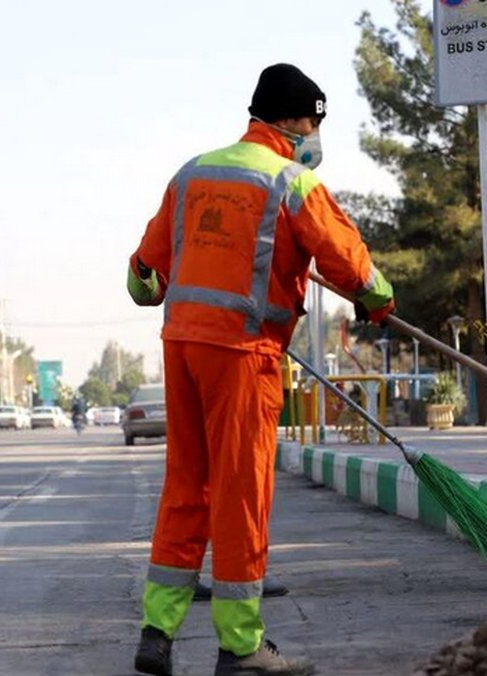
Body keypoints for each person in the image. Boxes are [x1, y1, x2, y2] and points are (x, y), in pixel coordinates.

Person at [127, 63, 396, 676]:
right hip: (243, 354)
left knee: (186, 485)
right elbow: (349, 260)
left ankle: (157, 631)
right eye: (313, 123)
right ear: (292, 120)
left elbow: (143, 272)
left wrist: (159, 284)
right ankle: (241, 647)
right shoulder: (290, 181)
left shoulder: (192, 174)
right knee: (240, 495)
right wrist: (379, 298)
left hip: (182, 346)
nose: (315, 135)